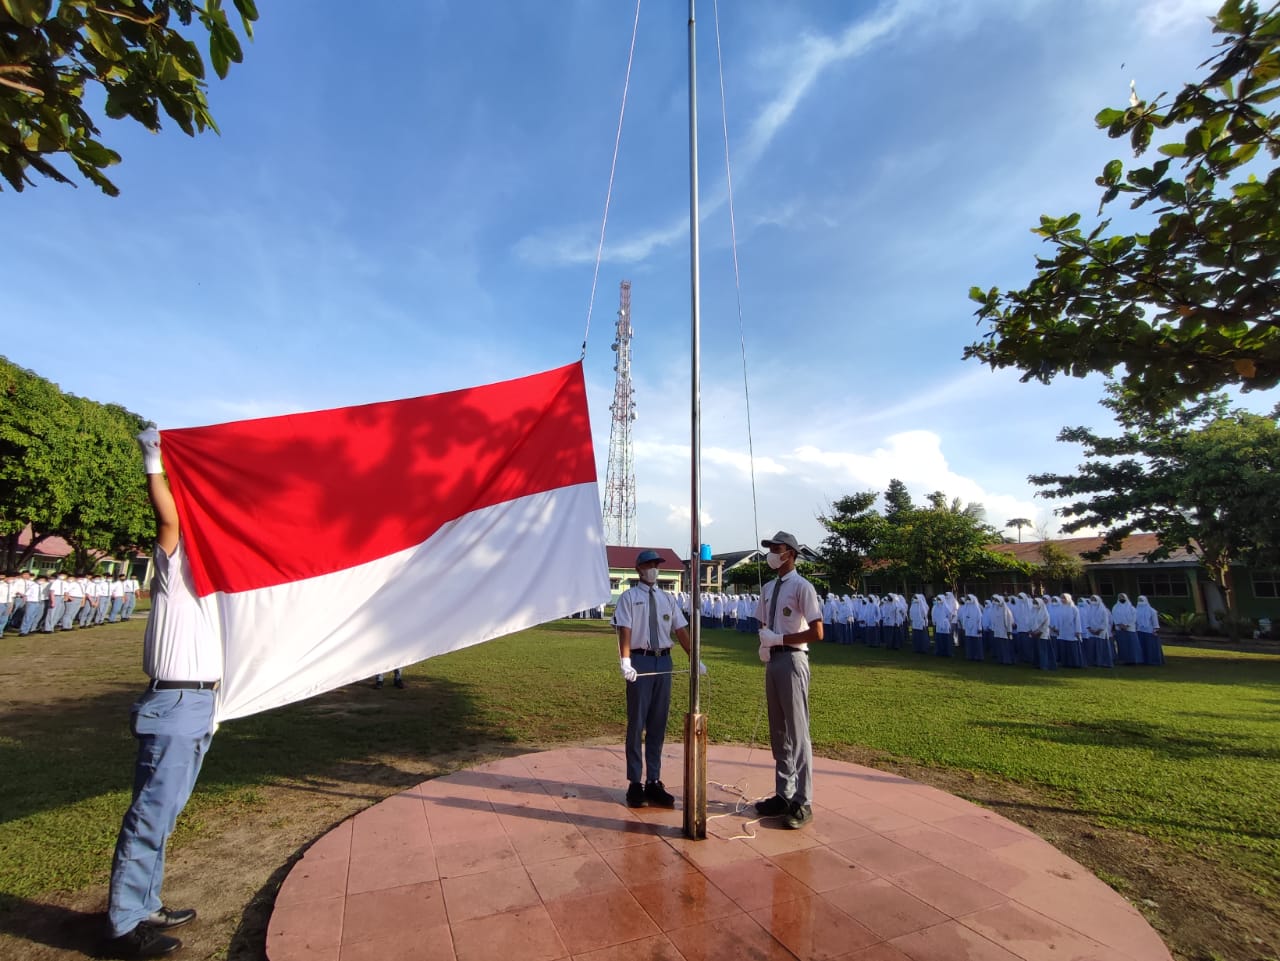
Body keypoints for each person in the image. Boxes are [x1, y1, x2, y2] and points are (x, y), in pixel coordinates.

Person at [104, 428, 222, 960]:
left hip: (202, 704)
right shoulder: (177, 573)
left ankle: (146, 903)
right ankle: (126, 923)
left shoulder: (222, 594)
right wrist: (154, 460)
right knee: (151, 814)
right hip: (173, 702)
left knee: (166, 813)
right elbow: (170, 519)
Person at [612, 549, 701, 808]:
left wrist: (694, 658)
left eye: (656, 565)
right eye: (650, 564)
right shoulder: (629, 597)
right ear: (639, 569)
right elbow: (624, 630)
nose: (654, 568)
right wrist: (625, 660)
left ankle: (653, 780)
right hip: (640, 659)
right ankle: (634, 783)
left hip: (663, 660)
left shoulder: (667, 599)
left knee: (658, 722)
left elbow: (681, 630)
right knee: (637, 721)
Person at [754, 531, 823, 830]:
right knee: (778, 729)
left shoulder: (802, 587)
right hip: (774, 659)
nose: (772, 553)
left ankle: (803, 800)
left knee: (797, 730)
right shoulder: (768, 587)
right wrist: (765, 641)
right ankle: (784, 793)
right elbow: (762, 619)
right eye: (770, 548)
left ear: (791, 553)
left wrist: (780, 638)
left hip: (794, 659)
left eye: (777, 549)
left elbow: (817, 632)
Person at [1135, 596, 1165, 666]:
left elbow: (1155, 622)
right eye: (1139, 600)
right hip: (1139, 631)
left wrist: (1155, 630)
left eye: (1142, 600)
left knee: (1151, 647)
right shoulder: (1136, 610)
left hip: (1150, 631)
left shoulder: (1152, 611)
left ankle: (1153, 661)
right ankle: (1142, 660)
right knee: (1142, 647)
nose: (1140, 602)